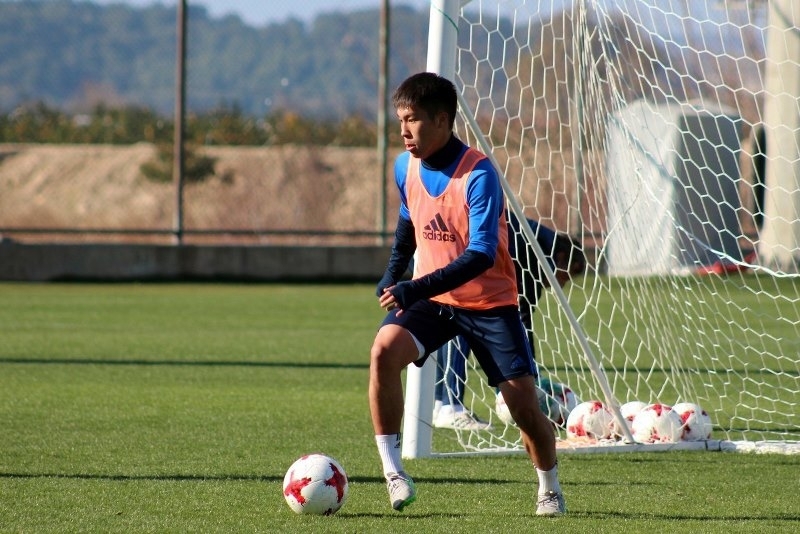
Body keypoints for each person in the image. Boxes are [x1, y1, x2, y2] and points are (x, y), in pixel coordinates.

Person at [370, 72, 566, 515]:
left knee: (523, 407)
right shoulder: (405, 166)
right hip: (434, 300)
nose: (404, 130)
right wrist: (392, 273)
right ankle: (394, 472)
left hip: (489, 304)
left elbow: (480, 254)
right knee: (383, 351)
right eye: (400, 120)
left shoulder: (478, 174)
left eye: (413, 120)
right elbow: (408, 223)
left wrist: (413, 286)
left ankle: (549, 487)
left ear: (442, 120)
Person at [432, 216, 585, 430]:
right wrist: (528, 380)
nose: (560, 284)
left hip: (442, 245)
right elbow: (521, 317)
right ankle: (451, 406)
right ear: (561, 257)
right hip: (458, 253)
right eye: (565, 277)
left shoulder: (534, 236)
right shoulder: (535, 250)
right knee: (462, 321)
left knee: (458, 320)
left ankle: (441, 404)